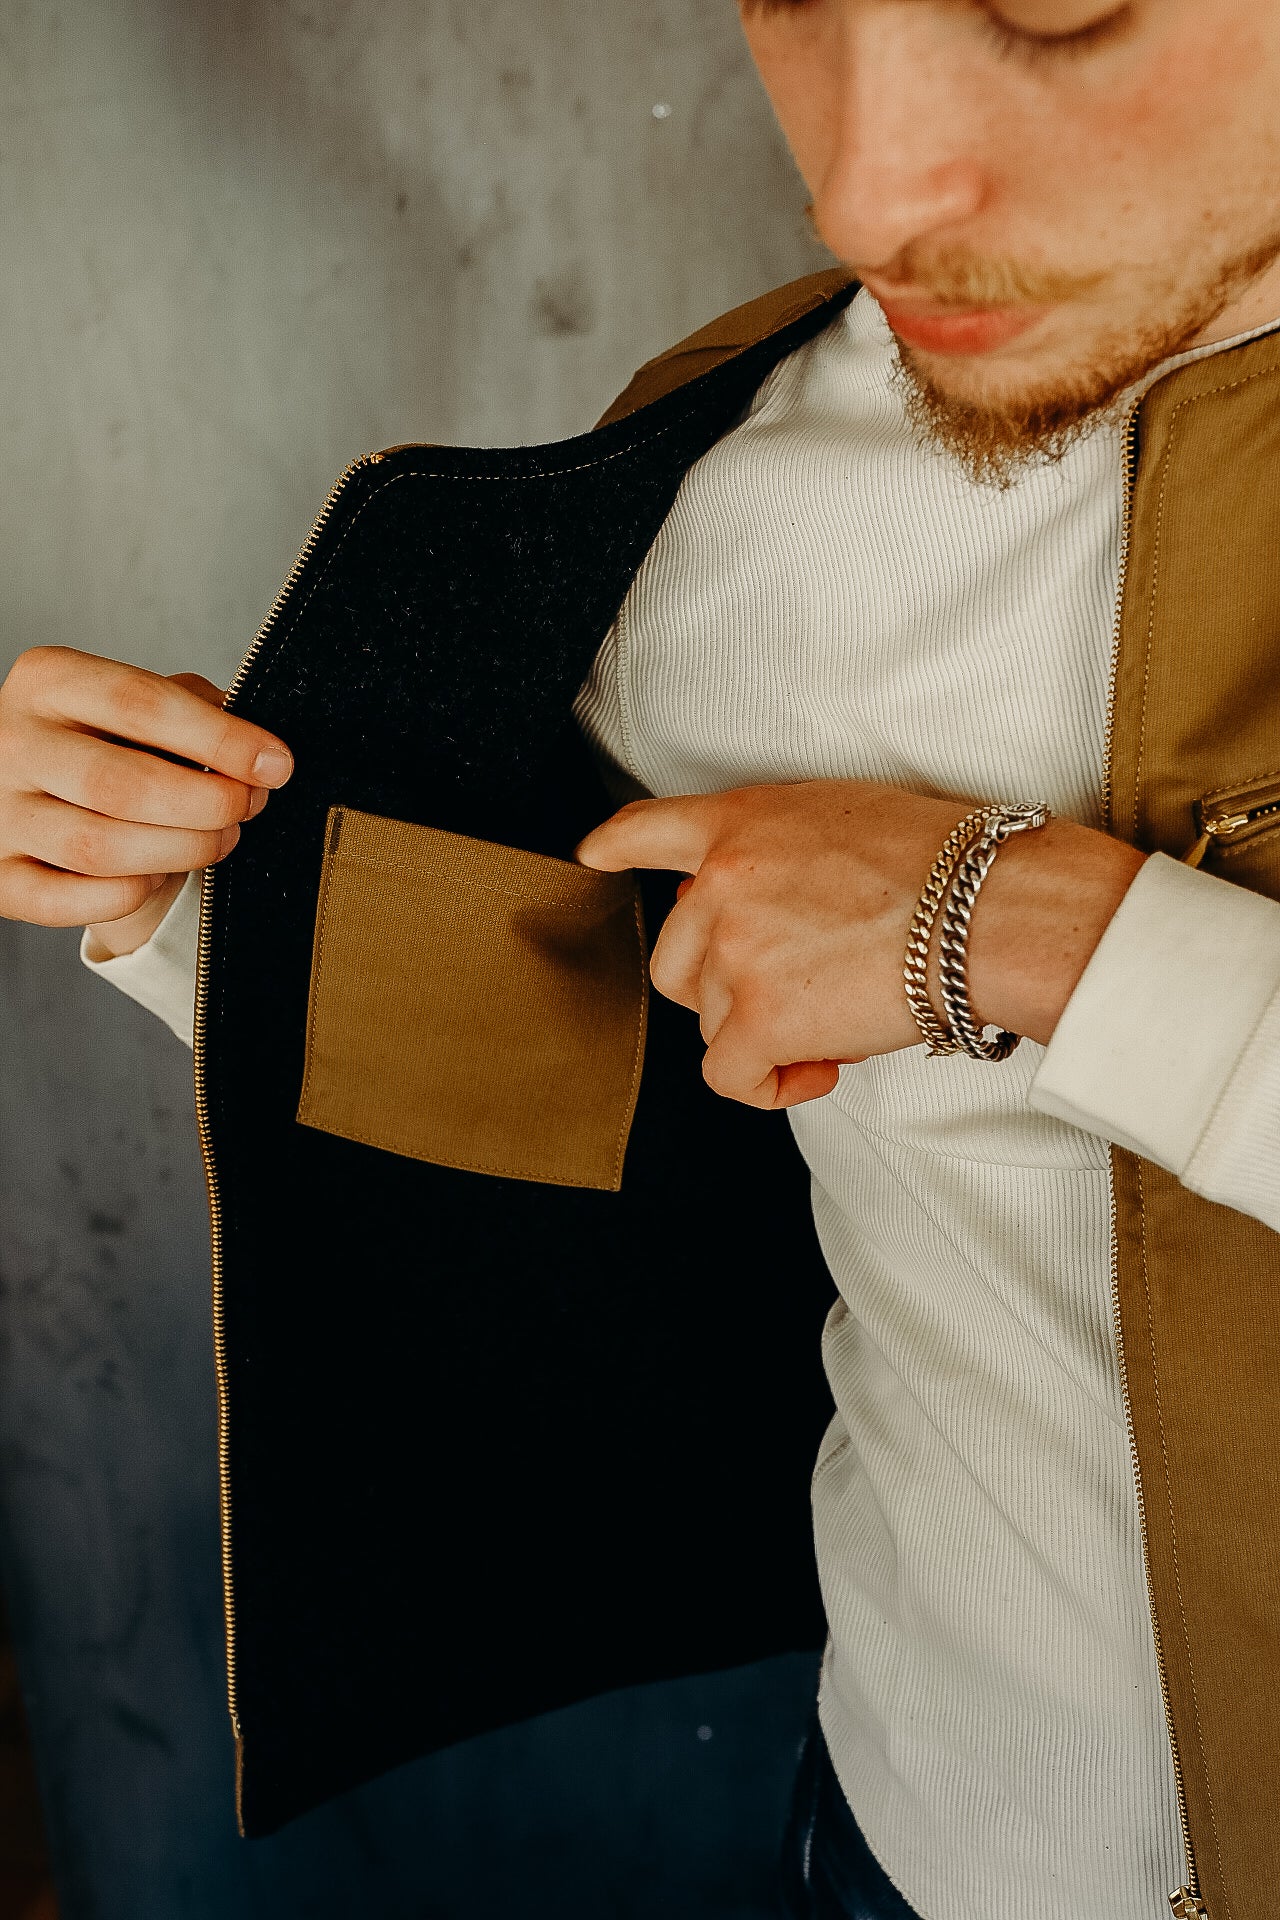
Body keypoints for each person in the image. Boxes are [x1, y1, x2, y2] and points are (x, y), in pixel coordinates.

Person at [2, 2, 1279, 1915]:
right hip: (917, 1835)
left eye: (1058, 3)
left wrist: (1036, 939)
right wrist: (192, 885)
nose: (869, 188)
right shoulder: (729, 489)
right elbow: (610, 1062)